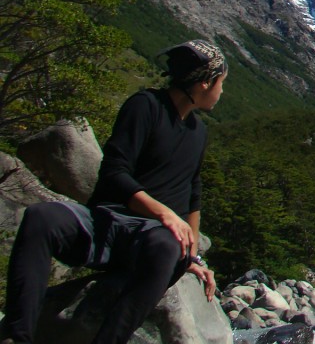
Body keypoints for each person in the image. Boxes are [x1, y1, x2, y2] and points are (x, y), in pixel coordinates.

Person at [1, 39, 226, 344]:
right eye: (221, 83)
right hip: (107, 223)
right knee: (41, 217)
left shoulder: (198, 133)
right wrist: (165, 214)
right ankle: (16, 336)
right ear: (204, 83)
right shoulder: (145, 106)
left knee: (166, 247)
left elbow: (193, 192)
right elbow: (114, 172)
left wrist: (194, 259)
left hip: (150, 241)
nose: (222, 91)